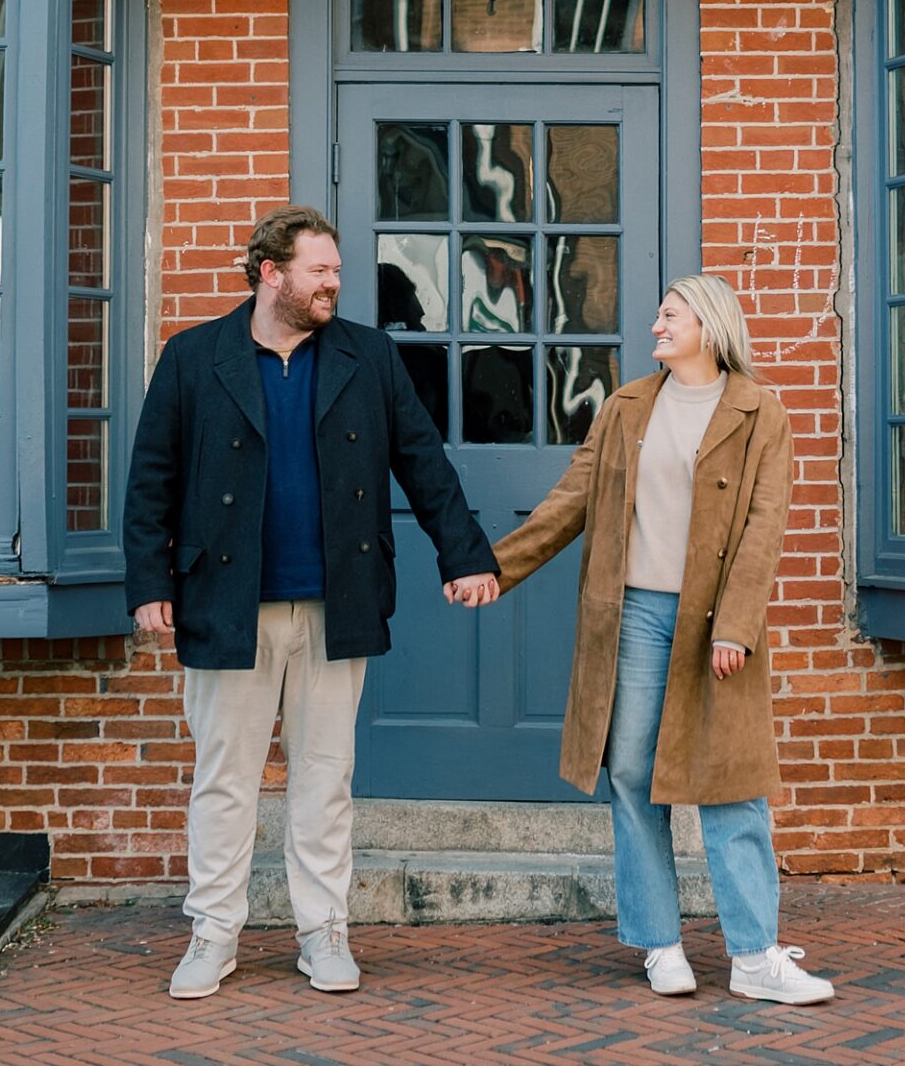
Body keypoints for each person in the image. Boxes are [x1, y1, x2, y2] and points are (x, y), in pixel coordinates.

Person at [123, 207, 501, 1000]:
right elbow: (151, 478)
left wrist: (465, 554)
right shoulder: (195, 357)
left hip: (337, 602)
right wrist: (150, 584)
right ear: (272, 273)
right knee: (225, 781)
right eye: (320, 269)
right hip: (227, 601)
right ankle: (213, 933)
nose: (335, 282)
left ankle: (323, 931)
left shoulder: (367, 355)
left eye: (335, 269)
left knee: (325, 779)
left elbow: (422, 461)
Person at [491, 271, 833, 1007]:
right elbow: (571, 500)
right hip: (637, 614)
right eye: (659, 315)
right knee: (632, 775)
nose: (655, 326)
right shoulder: (627, 407)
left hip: (714, 623)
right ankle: (660, 943)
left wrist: (738, 625)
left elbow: (762, 529)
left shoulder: (760, 411)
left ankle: (754, 955)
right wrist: (494, 569)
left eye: (670, 315)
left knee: (732, 784)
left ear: (708, 325)